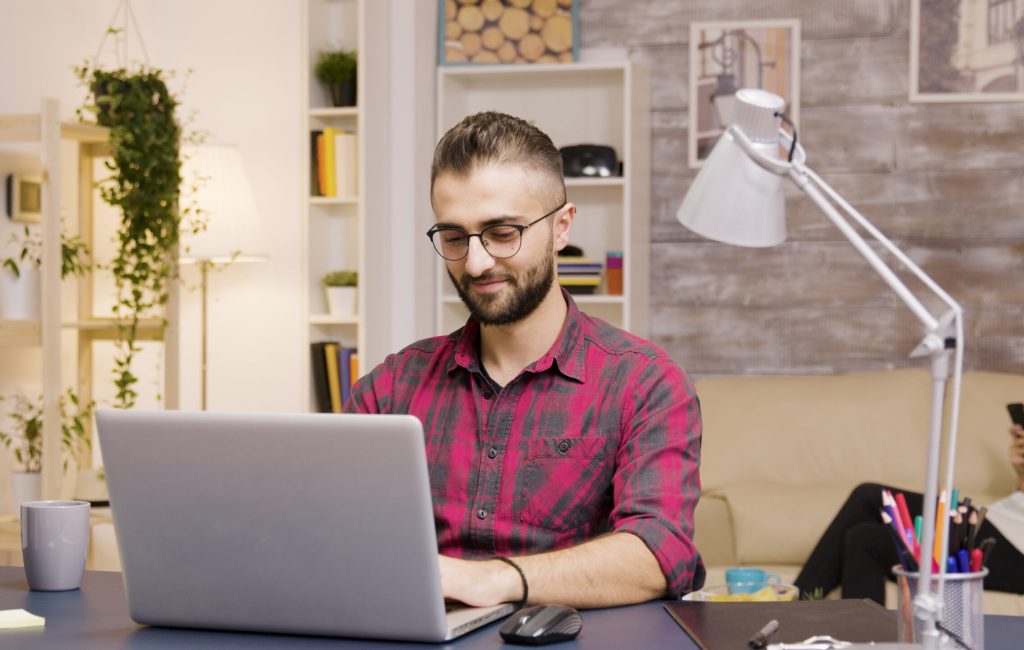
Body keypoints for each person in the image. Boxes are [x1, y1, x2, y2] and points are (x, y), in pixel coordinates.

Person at [346, 111, 704, 608]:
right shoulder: (390, 388)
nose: (475, 262)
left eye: (502, 232)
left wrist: (491, 580)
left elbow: (659, 554)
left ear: (561, 227)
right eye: (454, 237)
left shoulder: (645, 383)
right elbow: (337, 539)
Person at [794, 424, 1024, 604]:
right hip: (1003, 532)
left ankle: (789, 608)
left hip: (1016, 551)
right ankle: (864, 642)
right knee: (863, 538)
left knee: (868, 496)